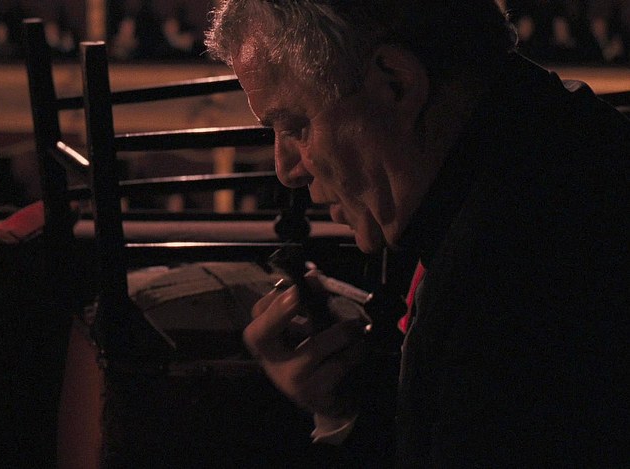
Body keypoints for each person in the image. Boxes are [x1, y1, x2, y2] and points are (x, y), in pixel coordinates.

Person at [205, 1, 629, 467]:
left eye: (295, 127)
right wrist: (343, 410)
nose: (287, 170)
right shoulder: (542, 149)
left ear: (396, 84)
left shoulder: (526, 264)